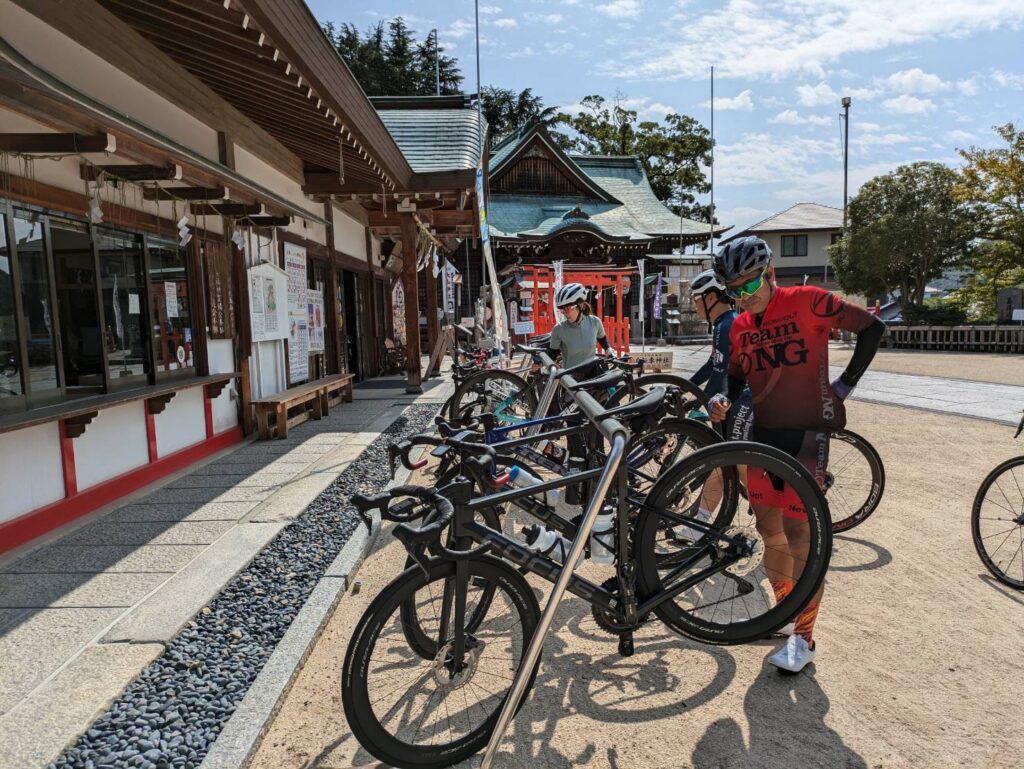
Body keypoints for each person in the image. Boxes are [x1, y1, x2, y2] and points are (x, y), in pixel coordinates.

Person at [708, 236, 885, 673]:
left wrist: (844, 385)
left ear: (769, 274)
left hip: (807, 433)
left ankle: (804, 637)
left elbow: (872, 328)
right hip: (764, 435)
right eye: (733, 290)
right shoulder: (737, 326)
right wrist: (722, 399)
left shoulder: (808, 300)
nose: (742, 297)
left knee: (799, 531)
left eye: (749, 286)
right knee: (768, 528)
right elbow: (733, 374)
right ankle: (786, 613)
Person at [545, 282, 612, 369]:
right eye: (562, 310)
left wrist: (608, 349)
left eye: (567, 309)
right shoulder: (559, 329)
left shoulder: (595, 322)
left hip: (592, 374)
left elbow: (602, 339)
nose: (565, 313)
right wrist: (545, 364)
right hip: (570, 378)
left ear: (580, 305)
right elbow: (552, 354)